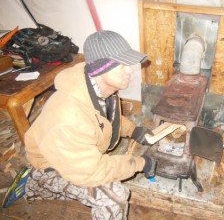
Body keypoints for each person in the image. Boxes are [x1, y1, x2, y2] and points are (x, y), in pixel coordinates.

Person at [2, 30, 157, 220]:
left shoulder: (101, 87)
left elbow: (107, 117)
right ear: (101, 68)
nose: (130, 70)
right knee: (114, 197)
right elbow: (92, 171)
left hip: (75, 156)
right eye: (121, 65)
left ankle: (40, 186)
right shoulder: (69, 115)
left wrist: (133, 130)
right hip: (52, 165)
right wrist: (139, 163)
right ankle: (35, 181)